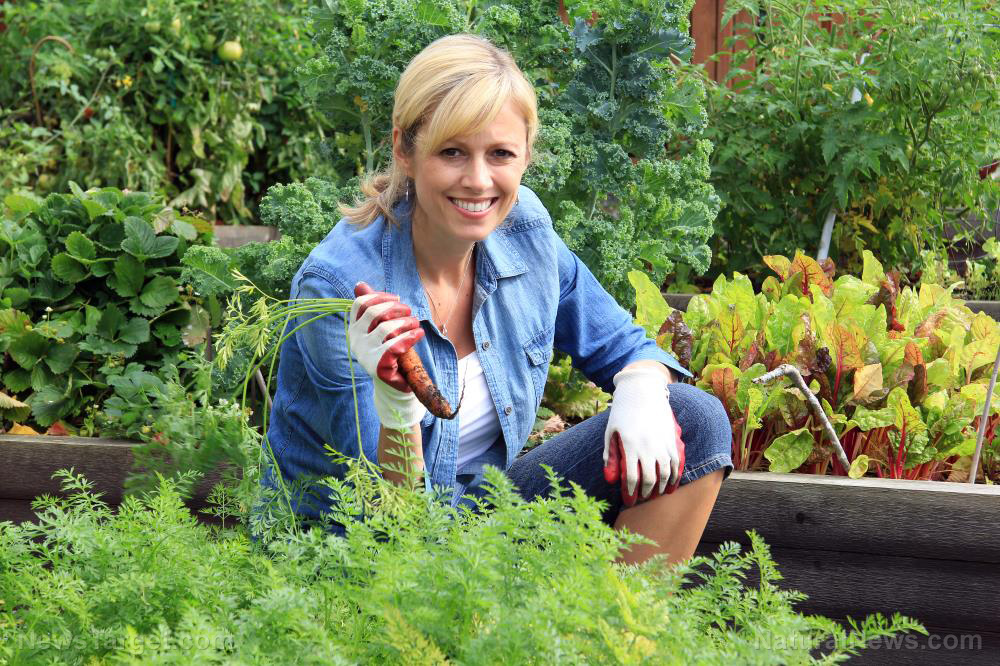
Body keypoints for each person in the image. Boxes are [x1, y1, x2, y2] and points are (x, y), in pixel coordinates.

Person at [264, 33, 732, 565]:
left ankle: (618, 619)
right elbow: (392, 522)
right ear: (404, 150)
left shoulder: (524, 230)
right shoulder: (340, 286)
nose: (478, 180)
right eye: (452, 152)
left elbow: (623, 346)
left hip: (483, 519)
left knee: (695, 419)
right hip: (359, 553)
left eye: (500, 153)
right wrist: (396, 408)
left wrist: (641, 388)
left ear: (526, 154)